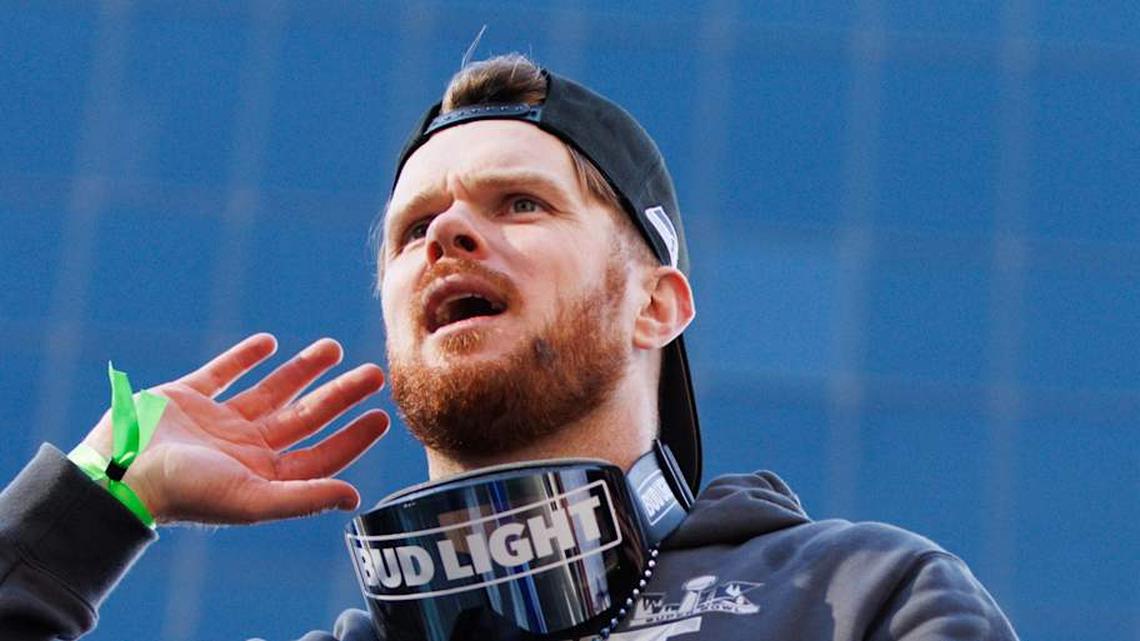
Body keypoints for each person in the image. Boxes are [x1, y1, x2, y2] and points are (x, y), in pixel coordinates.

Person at [0, 54, 1018, 641]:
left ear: (657, 304)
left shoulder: (854, 592)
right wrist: (97, 496)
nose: (447, 235)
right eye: (413, 229)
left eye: (521, 203)